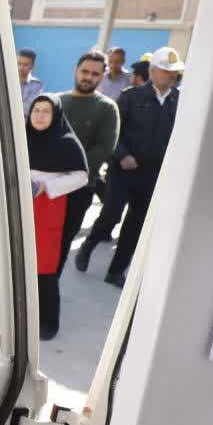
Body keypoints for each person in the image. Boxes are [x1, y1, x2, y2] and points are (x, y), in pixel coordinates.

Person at [76, 45, 184, 287]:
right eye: (166, 71)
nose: (171, 76)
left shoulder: (180, 101)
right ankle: (88, 244)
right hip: (124, 170)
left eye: (174, 72)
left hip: (153, 173)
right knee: (111, 214)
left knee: (136, 224)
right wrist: (122, 155)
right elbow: (114, 132)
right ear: (154, 71)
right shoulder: (130, 97)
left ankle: (116, 271)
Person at [26, 94, 90, 339]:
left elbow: (81, 177)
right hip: (21, 206)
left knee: (44, 266)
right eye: (36, 110)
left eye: (45, 111)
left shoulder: (66, 143)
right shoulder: (22, 138)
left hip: (48, 209)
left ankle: (47, 322)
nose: (39, 116)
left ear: (56, 115)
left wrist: (46, 185)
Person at [59, 50, 120, 269]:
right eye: (84, 71)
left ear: (102, 77)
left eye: (95, 74)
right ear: (76, 70)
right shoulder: (56, 101)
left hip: (79, 188)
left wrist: (65, 168)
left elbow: (104, 149)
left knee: (60, 245)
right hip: (43, 185)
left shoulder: (107, 108)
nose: (88, 77)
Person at [18, 48, 44, 115]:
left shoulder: (37, 85)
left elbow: (30, 108)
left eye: (25, 65)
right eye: (19, 63)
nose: (20, 67)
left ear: (32, 66)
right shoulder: (7, 81)